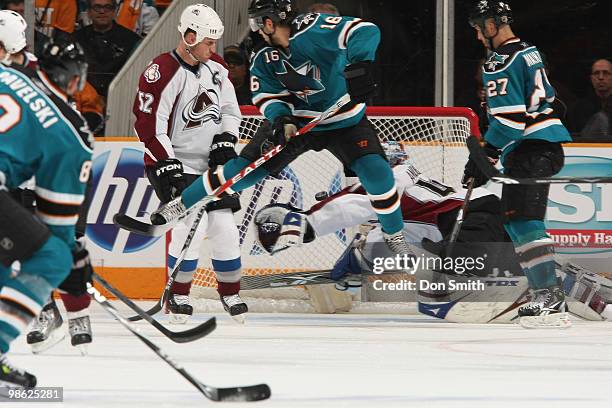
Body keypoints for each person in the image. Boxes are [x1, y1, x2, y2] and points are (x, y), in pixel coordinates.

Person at [153, 0, 415, 259]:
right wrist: (281, 119)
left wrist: (361, 65)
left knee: (378, 174)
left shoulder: (315, 28)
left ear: (269, 22)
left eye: (256, 23)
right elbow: (268, 95)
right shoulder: (263, 55)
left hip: (344, 120)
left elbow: (365, 30)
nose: (254, 30)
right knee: (240, 174)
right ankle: (181, 203)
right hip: (297, 122)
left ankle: (394, 234)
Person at [254, 141, 521, 278]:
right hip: (478, 214)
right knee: (508, 265)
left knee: (457, 271)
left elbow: (345, 207)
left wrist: (307, 224)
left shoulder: (386, 182)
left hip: (467, 221)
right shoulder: (408, 183)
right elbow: (403, 236)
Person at [133, 4, 246, 322]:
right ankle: (178, 297)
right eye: (209, 42)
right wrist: (168, 165)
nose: (214, 48)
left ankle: (230, 292)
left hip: (209, 165)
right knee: (188, 228)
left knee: (224, 225)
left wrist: (225, 140)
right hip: (171, 162)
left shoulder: (217, 67)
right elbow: (148, 125)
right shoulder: (162, 71)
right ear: (190, 36)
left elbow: (229, 111)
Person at [465, 1, 572, 328]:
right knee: (515, 221)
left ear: (491, 25)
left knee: (525, 221)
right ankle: (543, 292)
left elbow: (510, 122)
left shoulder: (500, 61)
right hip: (536, 147)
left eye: (479, 29)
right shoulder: (529, 51)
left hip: (531, 148)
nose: (480, 37)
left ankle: (550, 297)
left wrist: (484, 155)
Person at [0, 9, 96, 355]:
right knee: (53, 255)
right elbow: (58, 225)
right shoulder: (71, 132)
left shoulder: (6, 74)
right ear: (74, 81)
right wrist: (72, 261)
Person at [74, 0, 141, 97]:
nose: (102, 11)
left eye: (107, 7)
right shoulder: (76, 39)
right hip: (84, 99)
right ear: (88, 12)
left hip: (120, 98)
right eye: (97, 7)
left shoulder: (132, 40)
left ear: (114, 11)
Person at [568, 58, 611, 139]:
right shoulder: (578, 108)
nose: (601, 77)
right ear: (591, 78)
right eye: (596, 73)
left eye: (606, 73)